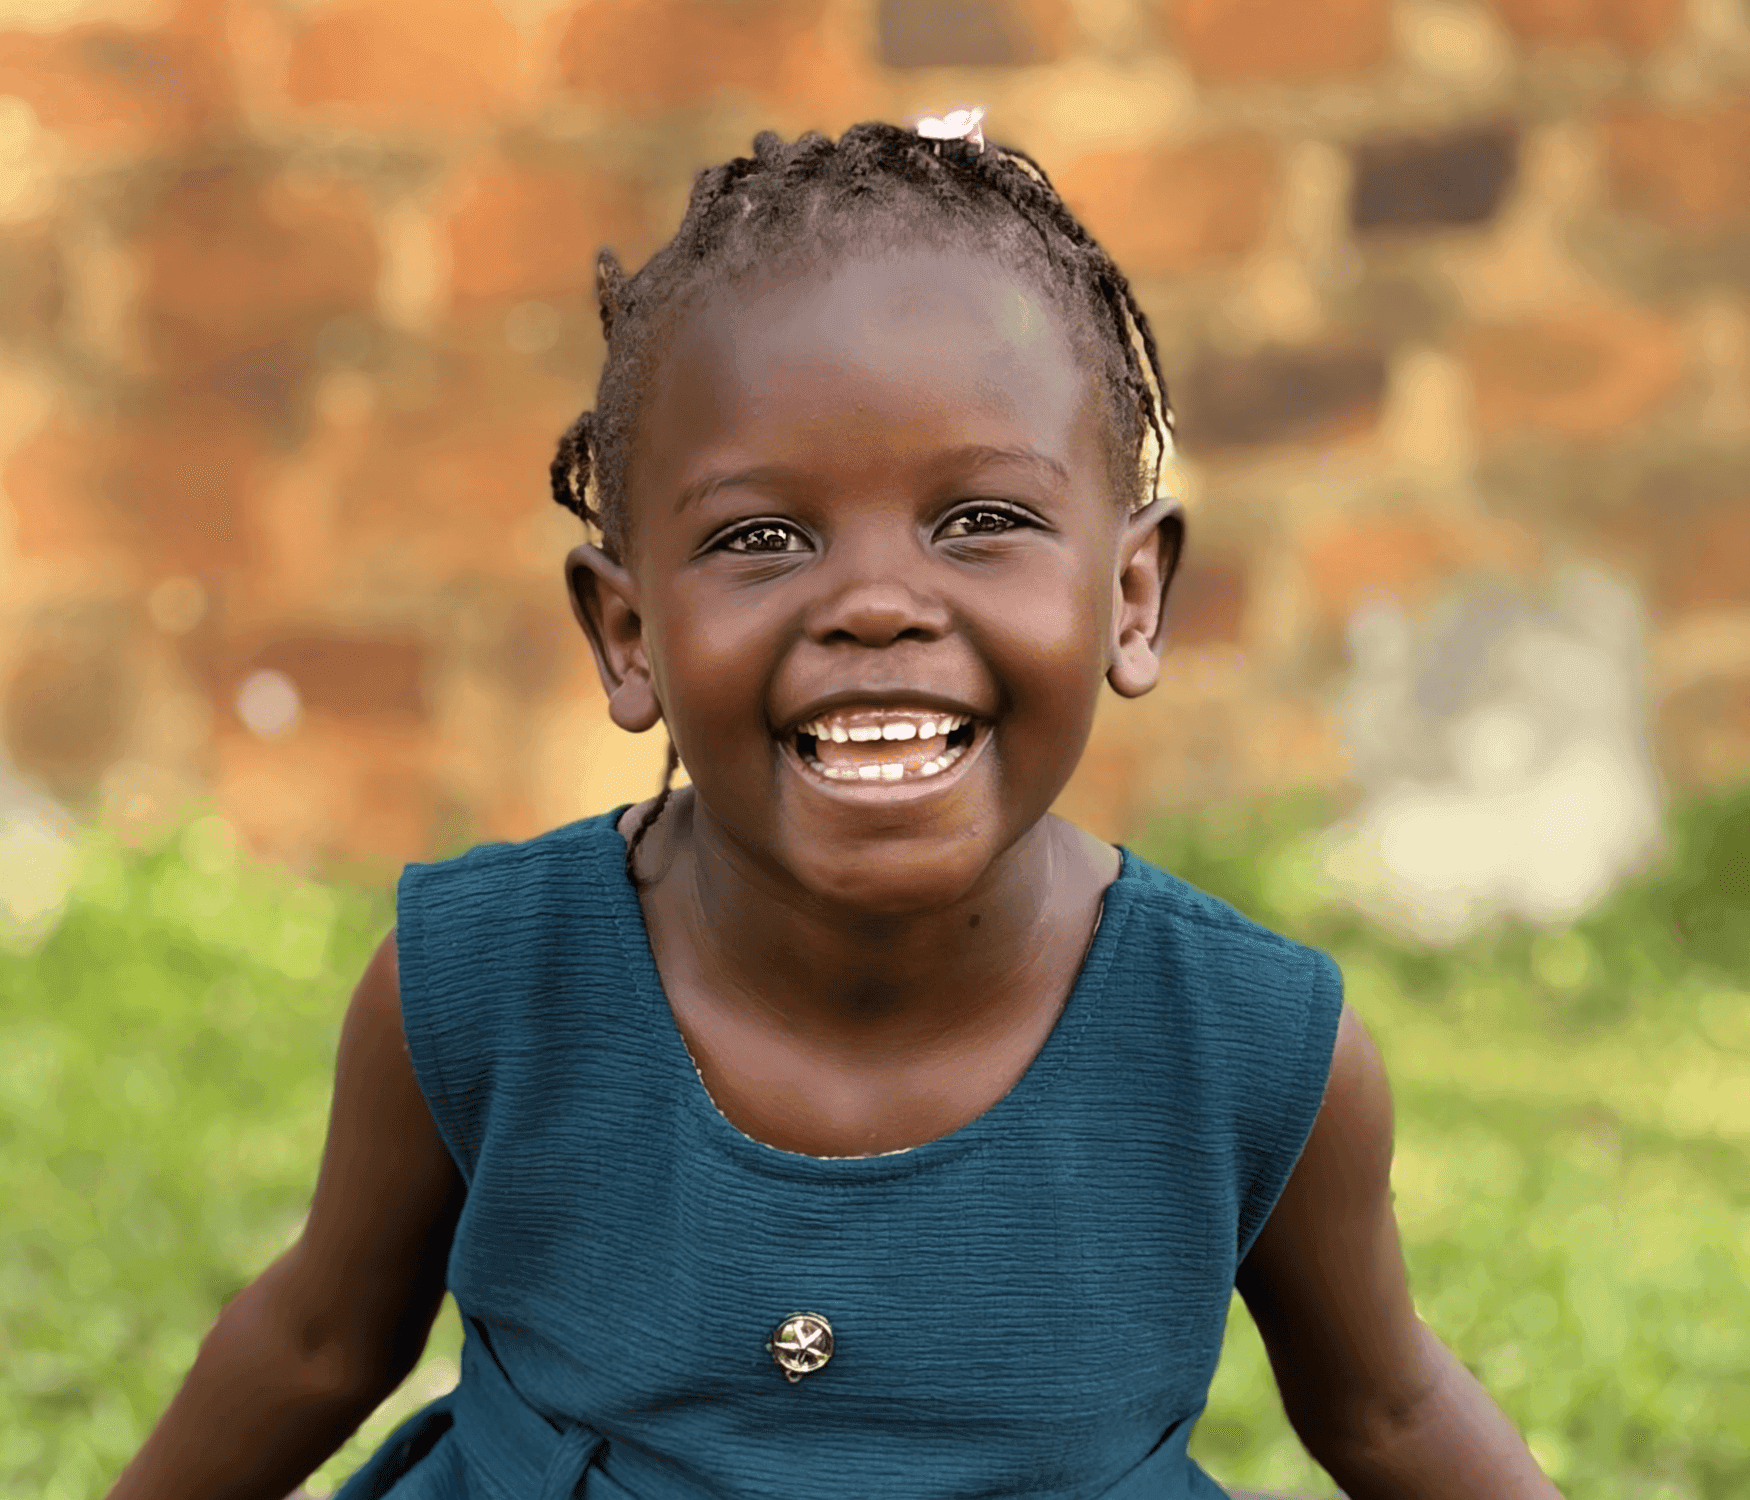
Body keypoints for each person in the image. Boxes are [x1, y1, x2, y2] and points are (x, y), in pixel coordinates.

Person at [109, 117, 1562, 1500]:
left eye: (980, 520)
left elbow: (1389, 1408)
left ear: (1130, 595)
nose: (874, 602)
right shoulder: (483, 984)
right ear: (627, 634)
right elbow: (313, 1342)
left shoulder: (1243, 1049)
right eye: (761, 536)